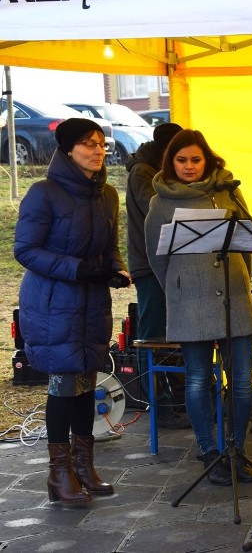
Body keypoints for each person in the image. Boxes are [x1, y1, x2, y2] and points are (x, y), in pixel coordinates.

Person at [15, 118, 131, 506]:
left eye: (101, 144)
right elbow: (26, 250)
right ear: (67, 150)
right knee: (64, 385)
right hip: (53, 303)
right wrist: (77, 268)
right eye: (87, 144)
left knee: (86, 381)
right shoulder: (43, 193)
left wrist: (115, 268)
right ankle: (58, 473)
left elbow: (109, 245)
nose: (98, 151)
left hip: (92, 300)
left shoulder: (108, 195)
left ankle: (84, 467)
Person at [144, 129, 252, 486]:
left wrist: (241, 279)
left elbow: (250, 238)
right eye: (182, 160)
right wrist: (178, 289)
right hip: (188, 299)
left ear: (206, 159)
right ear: (170, 162)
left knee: (241, 381)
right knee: (197, 379)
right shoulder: (160, 202)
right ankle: (210, 451)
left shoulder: (227, 191)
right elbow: (155, 256)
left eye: (196, 159)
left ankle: (236, 451)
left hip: (234, 296)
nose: (190, 166)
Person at [125, 122, 182, 340]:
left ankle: (176, 375)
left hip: (172, 260)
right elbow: (156, 210)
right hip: (148, 262)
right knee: (152, 332)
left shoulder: (164, 169)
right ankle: (148, 375)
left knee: (175, 329)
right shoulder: (142, 171)